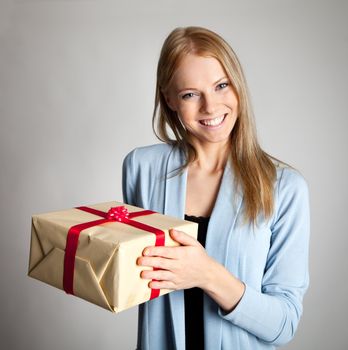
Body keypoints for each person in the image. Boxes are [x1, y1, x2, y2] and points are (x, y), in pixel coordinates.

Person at [122, 26, 310, 350]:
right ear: (169, 98)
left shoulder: (285, 188)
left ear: (238, 86)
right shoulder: (141, 168)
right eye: (190, 94)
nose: (210, 107)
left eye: (221, 85)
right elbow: (135, 276)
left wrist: (207, 274)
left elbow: (284, 324)